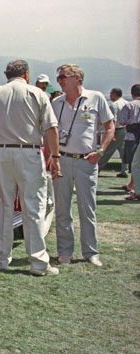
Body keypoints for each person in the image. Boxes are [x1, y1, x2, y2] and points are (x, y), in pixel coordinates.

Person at [0, 59, 61, 276]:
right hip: (29, 153)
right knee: (33, 206)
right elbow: (51, 128)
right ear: (26, 74)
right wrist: (56, 158)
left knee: (0, 205)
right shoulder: (37, 93)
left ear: (7, 75)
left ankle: (2, 257)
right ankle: (38, 262)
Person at [52, 63, 115, 267]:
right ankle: (64, 252)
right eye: (59, 77)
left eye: (64, 77)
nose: (60, 80)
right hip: (62, 160)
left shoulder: (95, 98)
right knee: (62, 209)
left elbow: (110, 126)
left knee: (87, 209)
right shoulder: (57, 103)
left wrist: (101, 151)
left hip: (86, 162)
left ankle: (90, 252)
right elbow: (50, 132)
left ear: (77, 78)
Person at [97, 88, 128, 175]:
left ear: (114, 94)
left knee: (106, 150)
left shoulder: (114, 105)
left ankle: (98, 168)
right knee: (123, 151)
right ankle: (124, 170)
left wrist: (112, 133)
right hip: (125, 129)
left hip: (116, 130)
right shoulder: (126, 103)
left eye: (111, 94)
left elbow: (113, 120)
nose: (110, 96)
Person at [119, 84, 140, 201]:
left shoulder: (129, 105)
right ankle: (132, 186)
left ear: (132, 94)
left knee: (134, 164)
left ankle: (136, 190)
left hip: (132, 137)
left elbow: (121, 122)